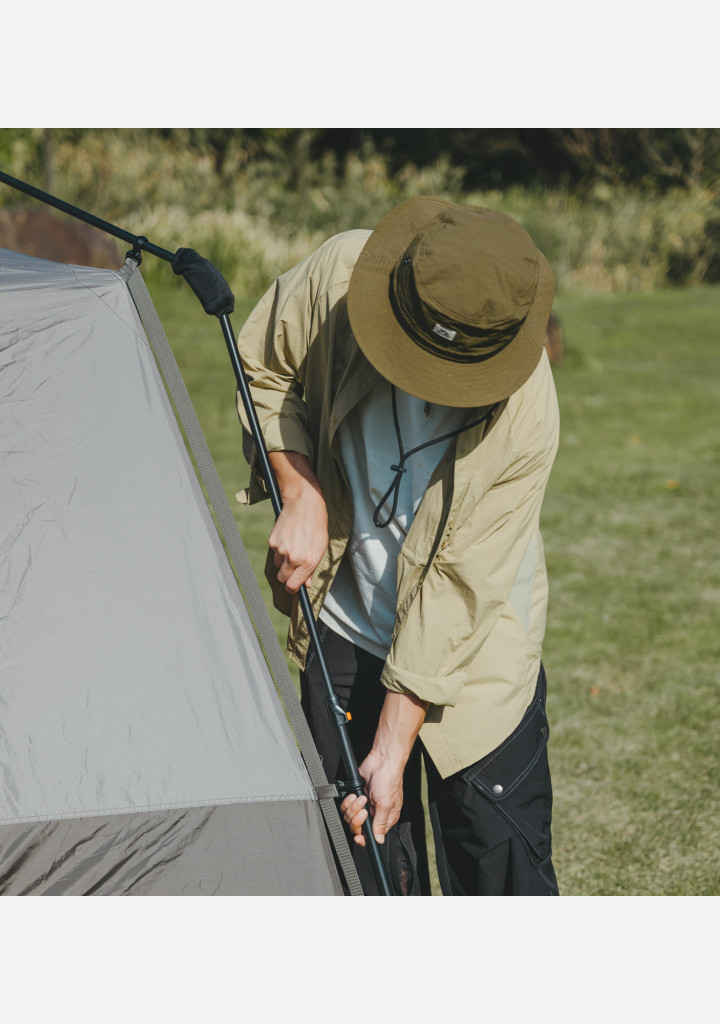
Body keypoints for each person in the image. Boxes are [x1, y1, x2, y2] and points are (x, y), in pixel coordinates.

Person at [236, 197, 560, 896]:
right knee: (365, 873)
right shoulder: (336, 278)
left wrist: (392, 741)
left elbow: (458, 585)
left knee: (501, 871)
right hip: (343, 634)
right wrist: (301, 490)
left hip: (475, 662)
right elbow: (262, 372)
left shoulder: (528, 408)